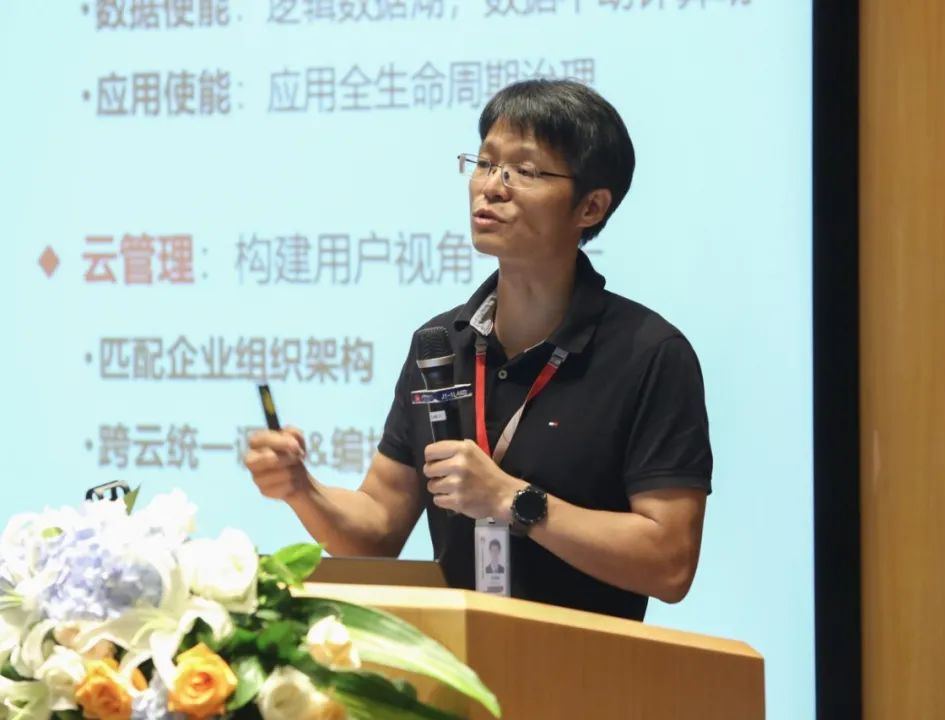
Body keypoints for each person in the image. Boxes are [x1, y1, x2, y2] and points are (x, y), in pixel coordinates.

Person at [245, 79, 712, 621]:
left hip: (588, 665)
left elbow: (670, 562)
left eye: (525, 171)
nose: (491, 187)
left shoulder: (649, 355)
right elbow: (376, 530)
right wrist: (303, 490)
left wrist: (514, 501)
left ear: (591, 206)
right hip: (456, 662)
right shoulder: (440, 346)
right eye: (485, 163)